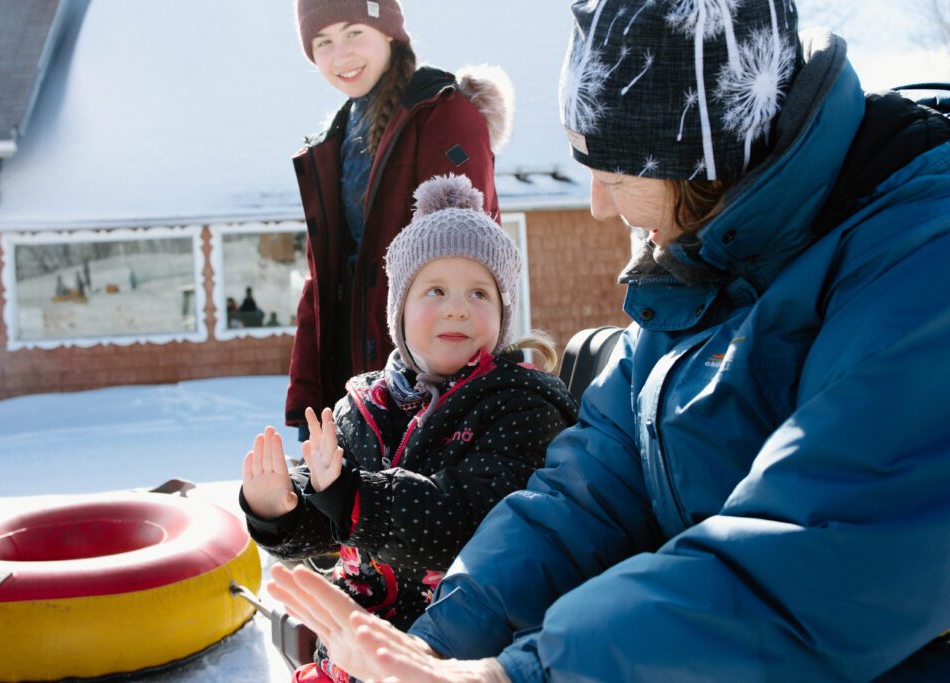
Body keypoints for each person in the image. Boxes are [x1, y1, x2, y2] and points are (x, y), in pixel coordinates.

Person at [266, 1, 950, 680]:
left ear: (701, 156)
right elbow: (590, 486)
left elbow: (814, 567)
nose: (596, 201)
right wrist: (434, 641)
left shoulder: (919, 266)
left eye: (615, 173)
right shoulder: (706, 259)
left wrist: (520, 676)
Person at [243, 175, 578, 683]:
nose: (457, 307)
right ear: (398, 308)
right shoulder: (364, 404)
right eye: (435, 290)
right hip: (354, 650)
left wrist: (352, 496)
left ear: (504, 311)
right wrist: (281, 508)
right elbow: (336, 527)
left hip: (455, 653)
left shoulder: (521, 407)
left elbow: (467, 523)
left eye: (479, 292)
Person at [285, 0, 512, 442]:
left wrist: (435, 386)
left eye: (354, 33)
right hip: (357, 384)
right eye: (323, 42)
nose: (341, 56)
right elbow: (324, 280)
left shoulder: (441, 112)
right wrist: (311, 400)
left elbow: (465, 259)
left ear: (388, 31)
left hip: (424, 385)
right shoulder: (335, 136)